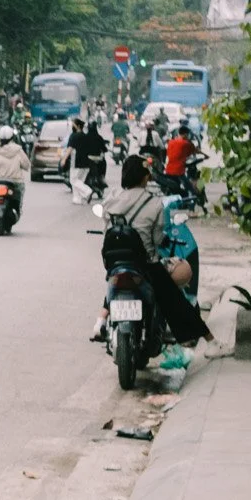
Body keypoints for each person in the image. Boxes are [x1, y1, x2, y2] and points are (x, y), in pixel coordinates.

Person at [93, 156, 209, 342]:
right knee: (175, 299)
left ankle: (100, 322)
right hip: (145, 264)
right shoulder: (155, 203)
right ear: (144, 177)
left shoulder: (111, 199)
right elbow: (157, 239)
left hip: (113, 261)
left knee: (114, 283)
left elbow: (107, 229)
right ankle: (208, 339)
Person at [69, 117, 109, 203]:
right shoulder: (99, 137)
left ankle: (85, 193)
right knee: (78, 180)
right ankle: (77, 198)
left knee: (75, 180)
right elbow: (104, 149)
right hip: (95, 160)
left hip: (86, 160)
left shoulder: (84, 137)